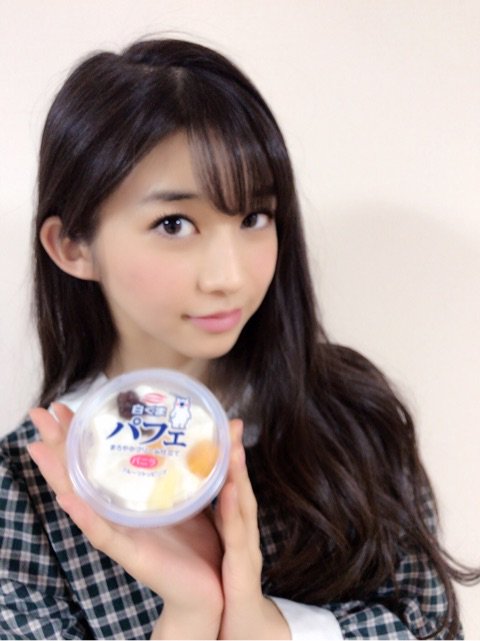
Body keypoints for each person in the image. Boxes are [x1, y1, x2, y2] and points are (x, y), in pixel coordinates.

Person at [0, 37, 478, 640]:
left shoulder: (349, 417)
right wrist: (191, 613)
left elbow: (430, 628)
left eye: (254, 217)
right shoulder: (24, 490)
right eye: (174, 223)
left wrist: (261, 623)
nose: (229, 276)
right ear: (73, 246)